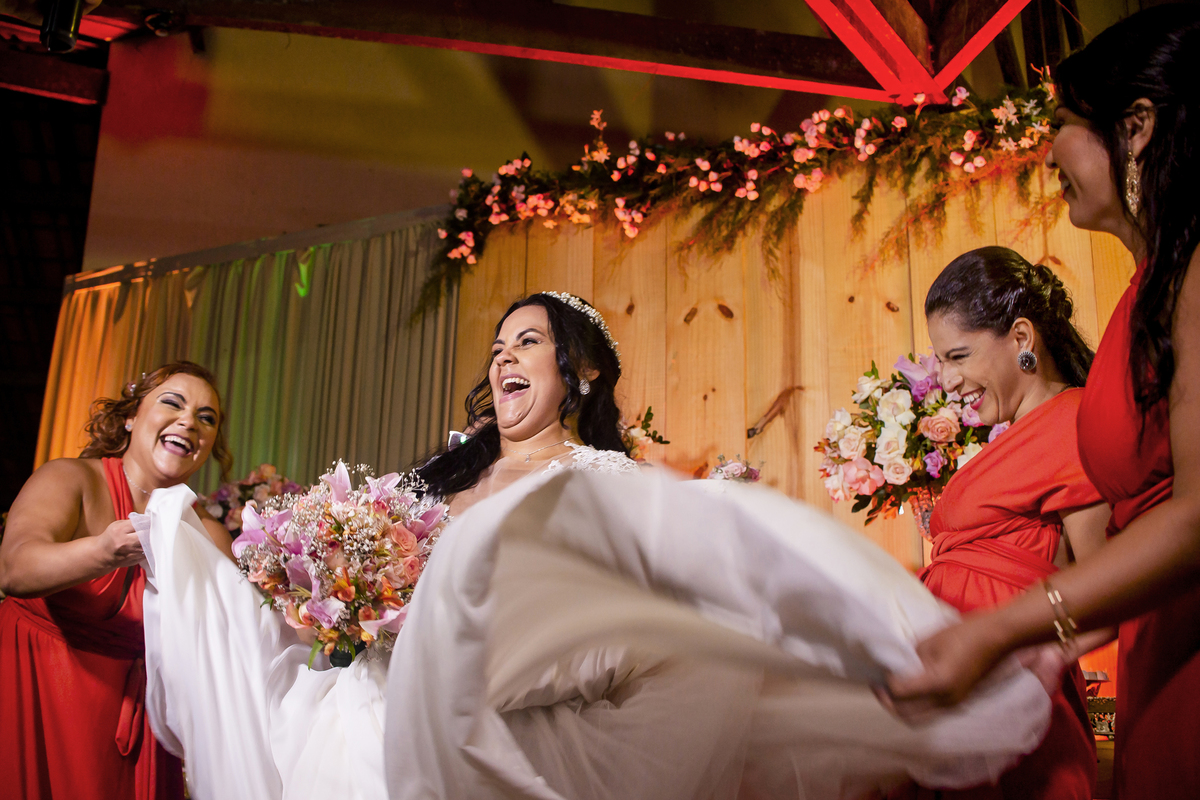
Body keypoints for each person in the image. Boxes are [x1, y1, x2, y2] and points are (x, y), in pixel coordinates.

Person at [136, 292, 1053, 800]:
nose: (502, 358)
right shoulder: (433, 482)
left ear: (579, 373)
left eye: (527, 342)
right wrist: (340, 581)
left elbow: (623, 622)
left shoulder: (600, 480)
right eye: (497, 345)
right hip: (362, 710)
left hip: (500, 727)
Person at [887, 7, 1200, 799]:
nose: (1048, 148)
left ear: (1135, 128)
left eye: (1061, 122)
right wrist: (1050, 645)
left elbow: (1193, 514)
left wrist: (1005, 628)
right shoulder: (1152, 290)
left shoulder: (1196, 270)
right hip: (1147, 648)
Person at [890, 246, 1111, 800]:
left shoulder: (1076, 419)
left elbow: (1112, 581)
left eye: (958, 355)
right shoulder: (1021, 435)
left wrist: (1039, 654)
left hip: (1015, 710)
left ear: (1020, 338)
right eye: (940, 360)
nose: (945, 378)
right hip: (967, 700)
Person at [0, 361, 235, 800]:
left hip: (133, 724)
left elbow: (234, 638)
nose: (189, 421)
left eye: (207, 418)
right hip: (34, 685)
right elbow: (15, 570)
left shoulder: (210, 534)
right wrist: (103, 551)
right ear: (130, 417)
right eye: (173, 403)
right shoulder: (70, 478)